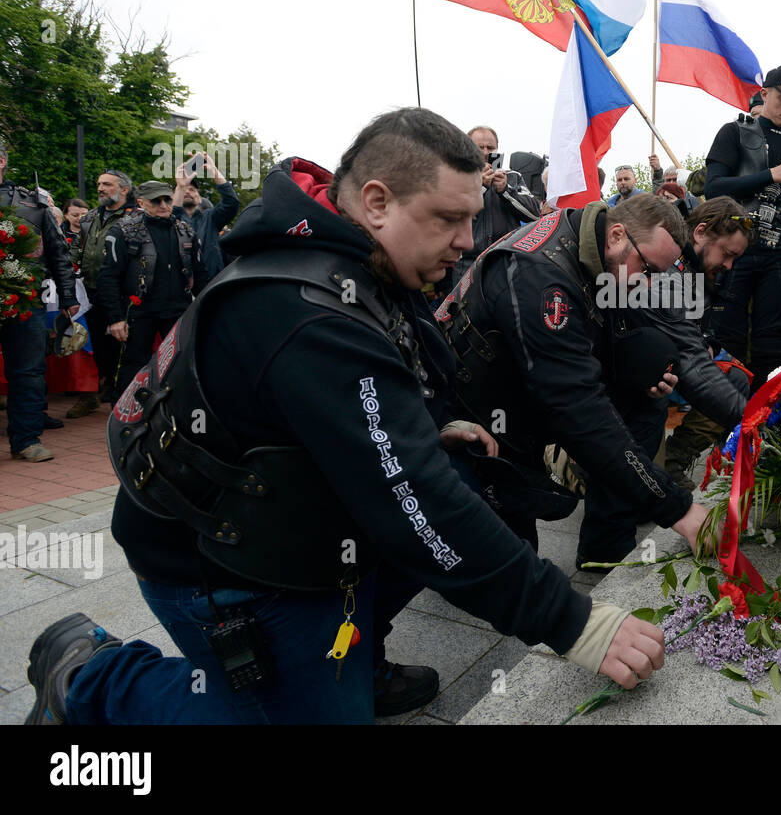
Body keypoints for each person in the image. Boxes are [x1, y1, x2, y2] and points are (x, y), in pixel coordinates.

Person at [23, 108, 666, 725]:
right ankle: (90, 677)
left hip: (285, 511)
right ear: (378, 202)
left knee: (467, 477)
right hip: (218, 558)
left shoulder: (360, 255)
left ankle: (350, 660)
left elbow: (391, 385)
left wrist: (427, 426)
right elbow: (417, 502)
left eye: (472, 219)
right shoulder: (309, 313)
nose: (469, 241)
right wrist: (575, 623)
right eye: (449, 219)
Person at [437, 193, 711, 568]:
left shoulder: (595, 241)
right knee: (513, 565)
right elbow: (578, 407)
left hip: (527, 384)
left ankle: (606, 546)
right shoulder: (542, 279)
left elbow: (616, 334)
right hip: (478, 412)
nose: (648, 284)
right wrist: (678, 510)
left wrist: (644, 371)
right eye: (647, 269)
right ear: (617, 235)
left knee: (646, 399)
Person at [703, 63, 781, 393]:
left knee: (771, 341)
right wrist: (772, 175)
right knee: (726, 335)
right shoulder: (734, 131)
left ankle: (770, 422)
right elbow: (712, 189)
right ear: (764, 93)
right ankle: (723, 424)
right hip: (733, 253)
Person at [652, 197, 753, 490]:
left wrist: (706, 343)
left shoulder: (700, 272)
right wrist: (753, 421)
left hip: (674, 366)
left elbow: (696, 332)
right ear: (700, 232)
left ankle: (674, 459)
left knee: (734, 377)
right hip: (642, 378)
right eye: (727, 253)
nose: (729, 265)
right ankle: (566, 460)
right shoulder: (667, 268)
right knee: (645, 496)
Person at [0, 137, 79, 461]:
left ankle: (27, 439)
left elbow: (58, 251)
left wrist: (68, 296)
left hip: (25, 300)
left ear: (2, 161)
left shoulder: (33, 202)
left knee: (29, 372)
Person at [97, 180, 209, 400]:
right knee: (134, 365)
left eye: (167, 199)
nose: (163, 205)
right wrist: (116, 318)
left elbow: (200, 275)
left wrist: (206, 306)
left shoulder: (185, 230)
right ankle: (127, 414)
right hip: (139, 310)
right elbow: (108, 276)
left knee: (180, 364)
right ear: (141, 202)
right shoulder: (124, 231)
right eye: (155, 201)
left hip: (178, 309)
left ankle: (176, 413)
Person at [67, 169, 136, 417]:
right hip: (90, 291)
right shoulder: (90, 217)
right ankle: (91, 394)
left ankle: (120, 395)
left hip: (122, 293)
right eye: (98, 184)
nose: (100, 188)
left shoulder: (134, 217)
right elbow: (76, 249)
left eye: (107, 184)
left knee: (121, 345)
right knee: (92, 344)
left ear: (124, 189)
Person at [443, 126, 540, 292]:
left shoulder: (513, 177)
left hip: (507, 262)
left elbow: (535, 214)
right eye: (479, 147)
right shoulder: (456, 178)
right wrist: (480, 186)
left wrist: (505, 190)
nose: (486, 152)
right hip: (467, 264)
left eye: (490, 147)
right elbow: (452, 214)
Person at [173, 151, 242, 282]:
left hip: (209, 282)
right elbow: (170, 217)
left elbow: (231, 203)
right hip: (180, 285)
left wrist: (214, 171)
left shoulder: (210, 218)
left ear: (200, 199)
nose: (187, 191)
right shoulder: (172, 219)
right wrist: (180, 186)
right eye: (185, 189)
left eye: (192, 190)